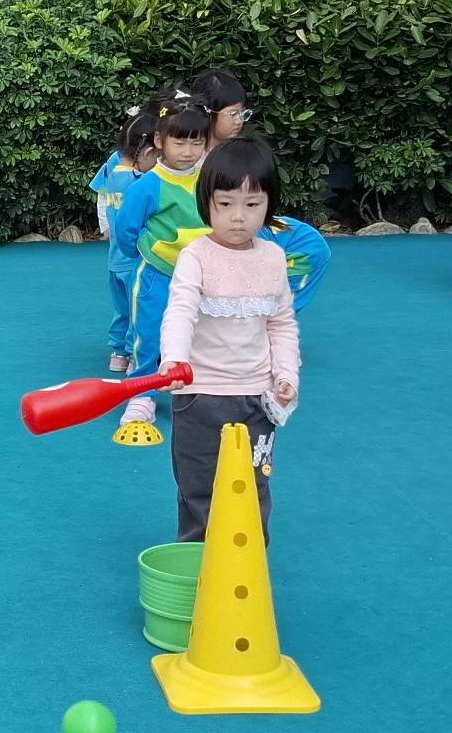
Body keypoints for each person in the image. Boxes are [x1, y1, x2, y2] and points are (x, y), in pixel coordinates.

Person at [158, 137, 300, 544]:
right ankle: (197, 564)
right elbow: (180, 312)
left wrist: (286, 375)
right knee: (199, 486)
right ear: (207, 202)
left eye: (252, 204)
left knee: (253, 486)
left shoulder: (273, 258)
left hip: (257, 398)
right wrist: (174, 359)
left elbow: (281, 324)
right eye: (225, 203)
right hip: (199, 395)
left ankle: (247, 564)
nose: (239, 217)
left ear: (269, 204)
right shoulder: (196, 257)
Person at [111, 92, 212, 430]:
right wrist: (146, 253)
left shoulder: (209, 179)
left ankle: (197, 390)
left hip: (202, 277)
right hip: (156, 274)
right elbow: (125, 229)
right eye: (179, 142)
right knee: (149, 334)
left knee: (201, 334)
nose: (188, 151)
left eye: (196, 143)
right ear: (159, 141)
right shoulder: (148, 185)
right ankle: (142, 394)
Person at [98, 109, 158, 373]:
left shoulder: (111, 174)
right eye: (157, 157)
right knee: (139, 309)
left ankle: (118, 353)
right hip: (135, 259)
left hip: (115, 260)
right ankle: (136, 357)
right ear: (147, 153)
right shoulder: (141, 181)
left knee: (122, 308)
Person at [191, 69, 252, 155]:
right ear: (207, 113)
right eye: (233, 114)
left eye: (243, 113)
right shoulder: (191, 156)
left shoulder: (241, 152)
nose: (239, 121)